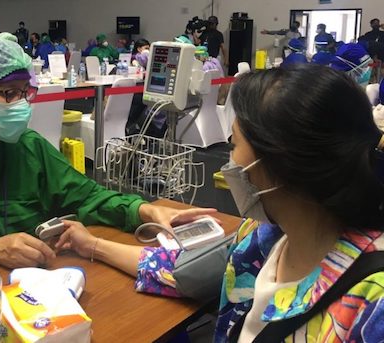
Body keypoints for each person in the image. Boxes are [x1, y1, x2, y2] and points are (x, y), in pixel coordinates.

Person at [59, 64, 384, 341]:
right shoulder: (263, 239)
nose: (229, 160)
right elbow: (178, 271)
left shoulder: (372, 304)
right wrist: (93, 245)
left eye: (234, 143)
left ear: (279, 165)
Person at [0, 35, 211, 279]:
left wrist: (147, 211)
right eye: (9, 94)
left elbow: (90, 198)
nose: (22, 104)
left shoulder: (30, 148)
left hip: (34, 294)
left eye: (26, 92)